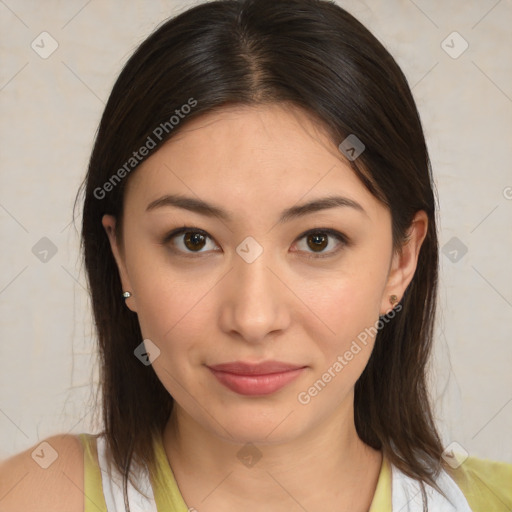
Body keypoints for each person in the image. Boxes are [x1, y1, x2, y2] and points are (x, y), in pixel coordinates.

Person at [1, 0, 511, 511]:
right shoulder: (32, 496)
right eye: (193, 240)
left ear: (401, 261)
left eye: (318, 240)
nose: (252, 318)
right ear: (122, 256)